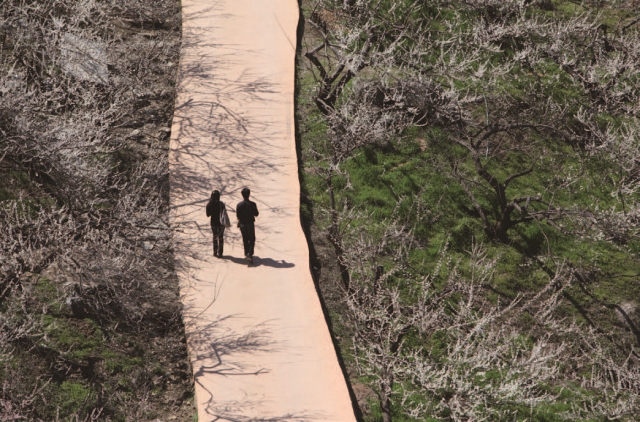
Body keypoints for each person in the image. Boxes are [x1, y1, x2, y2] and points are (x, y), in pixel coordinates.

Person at [236, 187, 259, 264]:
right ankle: (250, 253)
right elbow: (256, 214)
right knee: (252, 239)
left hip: (242, 224)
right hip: (250, 224)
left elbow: (238, 216)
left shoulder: (239, 205)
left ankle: (246, 253)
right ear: (249, 194)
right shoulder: (253, 204)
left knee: (245, 239)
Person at [205, 190, 228, 258]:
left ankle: (215, 252)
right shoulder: (221, 204)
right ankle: (220, 253)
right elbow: (224, 213)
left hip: (213, 223)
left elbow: (208, 215)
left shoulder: (209, 204)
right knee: (221, 238)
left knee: (215, 237)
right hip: (221, 223)